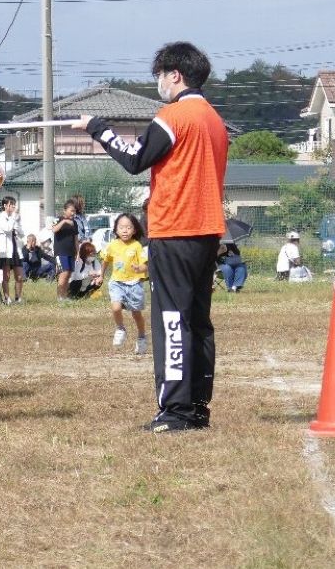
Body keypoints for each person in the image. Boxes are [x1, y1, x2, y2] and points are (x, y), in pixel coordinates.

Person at [73, 41, 229, 433]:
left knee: (172, 320)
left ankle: (175, 410)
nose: (158, 82)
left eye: (160, 75)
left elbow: (134, 159)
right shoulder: (214, 118)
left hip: (175, 229)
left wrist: (98, 128)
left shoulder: (174, 115)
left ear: (175, 75)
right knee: (198, 321)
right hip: (207, 230)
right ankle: (197, 406)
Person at [93, 214, 148, 354]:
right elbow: (105, 260)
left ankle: (142, 337)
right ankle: (120, 328)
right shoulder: (112, 245)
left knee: (136, 314)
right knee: (116, 307)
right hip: (117, 282)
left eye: (129, 227)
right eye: (122, 227)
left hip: (134, 284)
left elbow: (145, 265)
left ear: (134, 230)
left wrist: (139, 268)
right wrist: (101, 275)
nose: (125, 230)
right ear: (116, 230)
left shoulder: (137, 246)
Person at [0, 196, 22, 304]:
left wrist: (16, 225)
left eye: (14, 204)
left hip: (15, 248)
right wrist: (14, 219)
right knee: (6, 276)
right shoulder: (1, 217)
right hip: (5, 249)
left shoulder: (14, 218)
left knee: (19, 276)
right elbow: (8, 229)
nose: (13, 207)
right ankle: (7, 298)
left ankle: (18, 298)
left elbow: (21, 232)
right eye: (11, 205)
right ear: (5, 206)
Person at [52, 200, 78, 301]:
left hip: (71, 252)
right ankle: (60, 298)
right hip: (61, 253)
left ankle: (65, 296)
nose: (73, 213)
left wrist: (77, 252)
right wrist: (64, 221)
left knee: (68, 275)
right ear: (65, 210)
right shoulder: (57, 219)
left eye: (74, 211)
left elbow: (76, 239)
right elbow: (54, 229)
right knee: (63, 274)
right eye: (71, 211)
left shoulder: (74, 223)